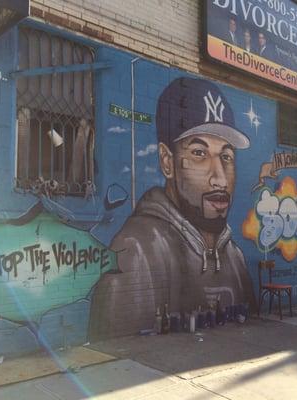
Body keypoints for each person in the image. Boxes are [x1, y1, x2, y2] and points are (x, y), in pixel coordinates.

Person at [89, 77, 255, 340]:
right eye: (200, 153)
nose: (220, 178)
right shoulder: (136, 251)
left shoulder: (234, 256)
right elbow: (125, 354)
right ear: (167, 162)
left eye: (226, 157)